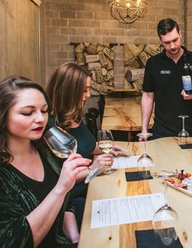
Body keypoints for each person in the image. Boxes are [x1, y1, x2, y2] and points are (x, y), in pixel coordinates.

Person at [0, 77, 91, 248]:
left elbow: (66, 205)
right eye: (28, 113)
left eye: (44, 111)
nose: (40, 119)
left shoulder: (44, 151)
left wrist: (75, 239)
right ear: (1, 116)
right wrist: (61, 188)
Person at [46, 63, 129, 222]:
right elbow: (57, 177)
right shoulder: (51, 127)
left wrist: (106, 148)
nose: (89, 95)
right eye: (84, 90)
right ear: (69, 91)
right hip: (73, 199)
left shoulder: (74, 115)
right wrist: (92, 168)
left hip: (93, 184)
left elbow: (86, 145)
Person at [141, 18, 192, 139]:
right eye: (167, 43)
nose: (172, 46)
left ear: (181, 34)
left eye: (175, 40)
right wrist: (144, 128)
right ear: (160, 40)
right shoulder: (153, 63)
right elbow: (148, 96)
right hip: (161, 132)